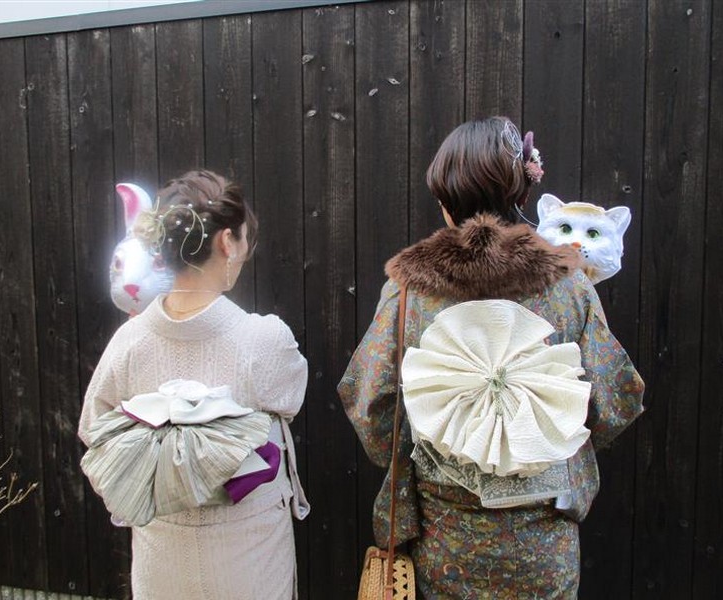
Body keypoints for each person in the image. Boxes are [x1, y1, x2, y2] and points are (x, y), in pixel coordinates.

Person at [338, 117, 644, 599]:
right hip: (543, 537)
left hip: (445, 535)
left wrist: (439, 442)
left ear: (445, 201)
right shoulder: (570, 287)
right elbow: (615, 397)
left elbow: (371, 402)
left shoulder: (408, 293)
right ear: (521, 193)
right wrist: (547, 437)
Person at [78, 170, 309, 599]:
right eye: (242, 238)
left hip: (161, 549)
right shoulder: (264, 339)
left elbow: (96, 429)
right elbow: (289, 399)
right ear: (226, 242)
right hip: (247, 549)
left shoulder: (129, 342)